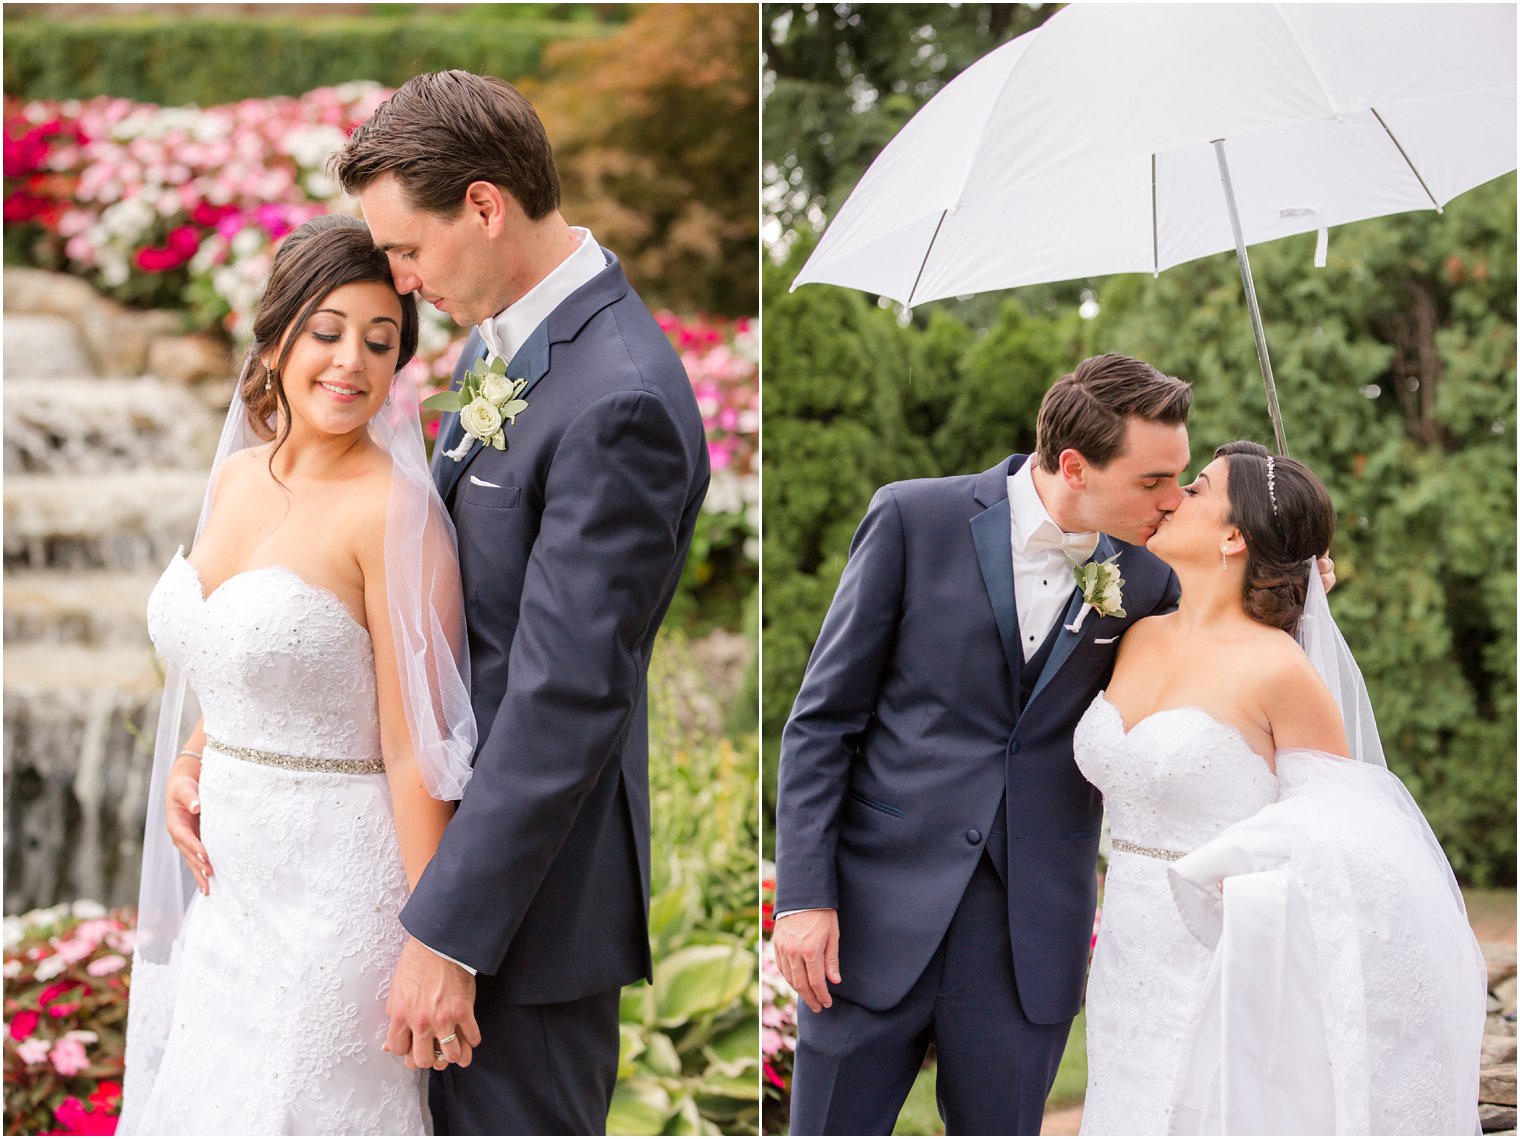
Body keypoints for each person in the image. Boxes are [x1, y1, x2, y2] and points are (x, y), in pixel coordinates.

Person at [330, 70, 710, 1135]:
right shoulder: (514, 339)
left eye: (408, 248)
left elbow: (564, 694)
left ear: (485, 205)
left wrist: (451, 935)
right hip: (454, 872)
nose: (400, 281)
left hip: (525, 926)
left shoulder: (618, 396)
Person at [774, 354, 1201, 1135]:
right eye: (1153, 481)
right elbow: (822, 720)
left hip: (1027, 938)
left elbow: (1208, 688)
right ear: (1075, 465)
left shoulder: (1148, 581)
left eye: (1181, 477)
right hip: (871, 918)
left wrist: (1291, 584)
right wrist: (804, 895)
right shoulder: (912, 519)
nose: (1174, 501)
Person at [120, 214, 478, 1134]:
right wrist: (196, 755)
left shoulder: (395, 515)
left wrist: (435, 940)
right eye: (326, 331)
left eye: (379, 340)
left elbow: (414, 749)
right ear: (277, 335)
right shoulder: (238, 477)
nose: (350, 362)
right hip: (230, 894)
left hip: (337, 906)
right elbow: (237, 653)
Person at [1075, 440, 1486, 1135]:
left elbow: (1346, 831)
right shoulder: (1135, 633)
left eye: (1197, 489)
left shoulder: (1281, 670)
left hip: (1219, 957)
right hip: (1123, 953)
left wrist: (1250, 878)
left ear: (1234, 536)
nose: (1173, 496)